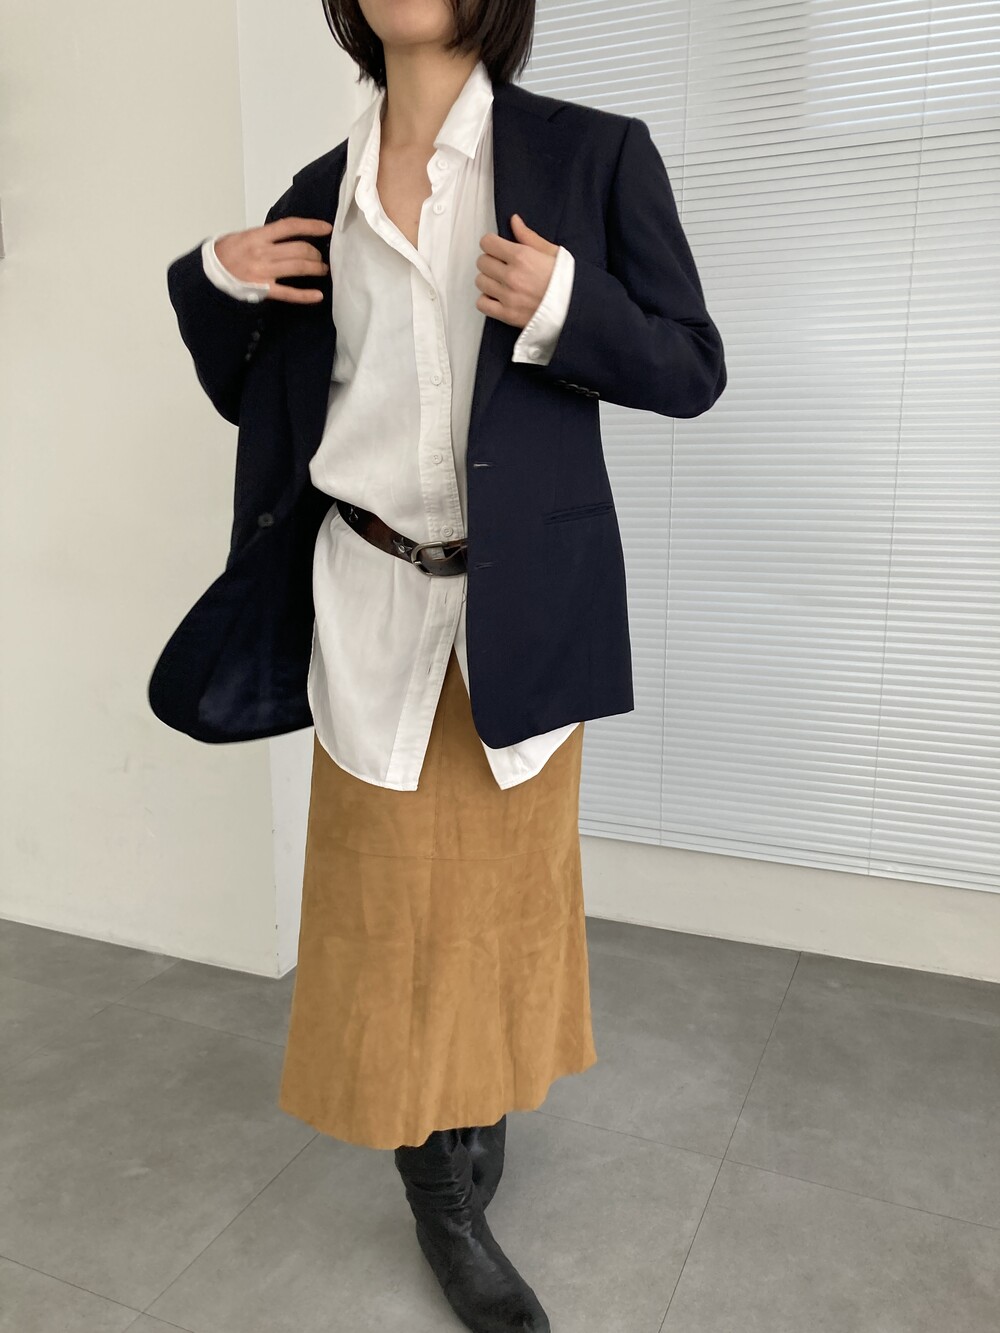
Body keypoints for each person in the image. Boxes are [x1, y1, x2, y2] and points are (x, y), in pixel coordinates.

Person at [156, 1, 726, 1328]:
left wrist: (567, 303)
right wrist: (214, 281)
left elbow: (693, 366)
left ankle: (475, 1116)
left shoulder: (591, 156)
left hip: (528, 602)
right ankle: (442, 1201)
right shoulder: (319, 194)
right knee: (389, 920)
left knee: (506, 902)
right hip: (367, 595)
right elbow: (256, 395)